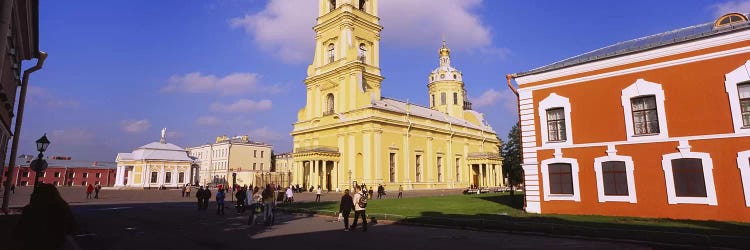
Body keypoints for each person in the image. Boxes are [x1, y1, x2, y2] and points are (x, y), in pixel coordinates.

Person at [13, 183, 76, 250]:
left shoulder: (31, 209)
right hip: (56, 245)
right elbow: (72, 228)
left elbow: (18, 233)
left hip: (33, 245)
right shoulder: (62, 208)